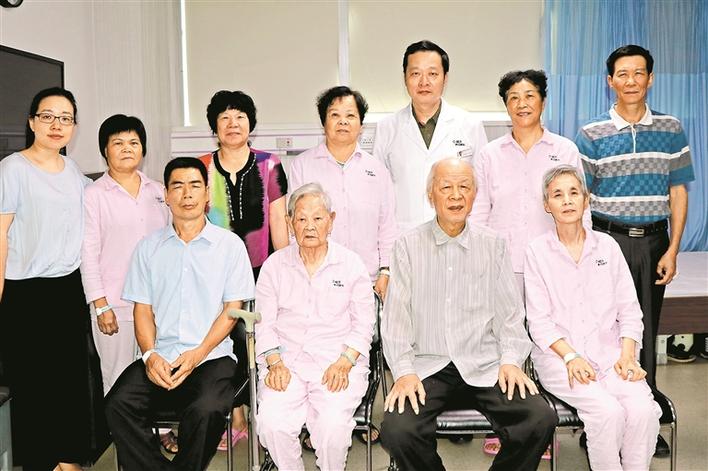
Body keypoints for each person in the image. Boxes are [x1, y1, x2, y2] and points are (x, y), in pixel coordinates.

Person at [380, 157, 556, 471]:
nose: (456, 195)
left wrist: (511, 360)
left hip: (484, 363)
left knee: (539, 418)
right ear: (430, 195)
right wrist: (404, 371)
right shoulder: (407, 246)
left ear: (475, 195)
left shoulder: (493, 245)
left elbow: (510, 315)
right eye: (446, 187)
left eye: (464, 187)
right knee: (398, 430)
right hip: (429, 366)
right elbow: (396, 320)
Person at [575, 44, 694, 456]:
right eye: (622, 74)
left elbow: (678, 191)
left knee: (642, 332)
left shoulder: (671, 128)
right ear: (610, 81)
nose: (631, 81)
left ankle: (646, 422)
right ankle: (598, 420)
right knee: (599, 332)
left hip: (653, 243)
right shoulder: (591, 133)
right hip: (605, 241)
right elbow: (580, 198)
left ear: (650, 78)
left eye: (638, 73)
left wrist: (673, 249)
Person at [104, 157, 255, 471]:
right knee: (118, 404)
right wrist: (150, 356)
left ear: (206, 194)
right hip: (162, 355)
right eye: (178, 186)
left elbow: (232, 311)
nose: (187, 194)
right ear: (167, 195)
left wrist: (198, 353)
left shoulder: (229, 246)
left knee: (207, 410)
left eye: (195, 186)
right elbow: (143, 311)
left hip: (211, 356)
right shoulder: (148, 248)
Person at [525, 165, 661, 470]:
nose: (567, 200)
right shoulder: (537, 252)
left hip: (612, 355)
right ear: (547, 205)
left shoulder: (608, 247)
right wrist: (571, 357)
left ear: (586, 200)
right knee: (607, 413)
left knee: (643, 411)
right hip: (560, 359)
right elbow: (539, 323)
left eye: (574, 192)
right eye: (558, 195)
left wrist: (628, 356)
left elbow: (630, 310)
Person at [0, 87, 104, 471]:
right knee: (33, 386)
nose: (56, 125)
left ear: (74, 126)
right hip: (25, 293)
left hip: (67, 290)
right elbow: (0, 237)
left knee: (70, 384)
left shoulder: (72, 170)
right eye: (47, 116)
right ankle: (42, 463)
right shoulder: (13, 169)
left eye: (65, 118)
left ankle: (69, 461)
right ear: (32, 122)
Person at [255, 183, 375, 471]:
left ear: (331, 221)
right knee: (271, 424)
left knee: (333, 429)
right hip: (286, 363)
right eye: (301, 218)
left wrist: (345, 362)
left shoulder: (351, 264)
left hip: (338, 362)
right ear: (290, 223)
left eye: (318, 218)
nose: (309, 226)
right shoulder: (274, 266)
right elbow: (264, 323)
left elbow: (364, 324)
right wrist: (274, 363)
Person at [199, 90, 289, 449]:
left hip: (261, 271)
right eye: (224, 117)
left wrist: (286, 270)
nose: (232, 124)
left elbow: (278, 220)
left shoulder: (270, 164)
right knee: (226, 343)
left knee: (259, 340)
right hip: (214, 276)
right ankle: (235, 412)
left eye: (239, 117)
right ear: (214, 127)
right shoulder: (201, 166)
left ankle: (266, 410)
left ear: (251, 124)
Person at [472, 69, 589, 296]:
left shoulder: (564, 150)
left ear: (543, 102)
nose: (521, 104)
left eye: (529, 96)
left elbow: (581, 207)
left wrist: (582, 254)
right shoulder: (490, 154)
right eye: (514, 98)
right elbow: (479, 211)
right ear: (506, 106)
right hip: (501, 264)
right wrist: (476, 259)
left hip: (554, 261)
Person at [81, 114, 170, 394]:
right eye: (118, 142)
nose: (127, 148)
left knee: (157, 376)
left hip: (158, 303)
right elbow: (88, 253)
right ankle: (120, 426)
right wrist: (100, 305)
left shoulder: (158, 191)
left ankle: (155, 425)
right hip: (115, 305)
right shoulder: (93, 194)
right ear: (105, 150)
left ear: (143, 149)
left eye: (134, 142)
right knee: (117, 380)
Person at [288, 85, 397, 300]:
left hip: (367, 279)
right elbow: (295, 224)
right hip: (316, 278)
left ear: (361, 125)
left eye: (350, 116)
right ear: (323, 123)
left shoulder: (377, 170)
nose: (343, 121)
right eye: (335, 115)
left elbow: (387, 226)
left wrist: (386, 271)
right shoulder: (302, 166)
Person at [373, 40, 487, 232]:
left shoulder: (470, 125)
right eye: (415, 73)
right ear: (405, 78)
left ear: (445, 78)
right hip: (404, 236)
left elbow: (481, 192)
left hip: (457, 235)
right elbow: (378, 193)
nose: (424, 82)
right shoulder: (387, 128)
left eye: (432, 74)